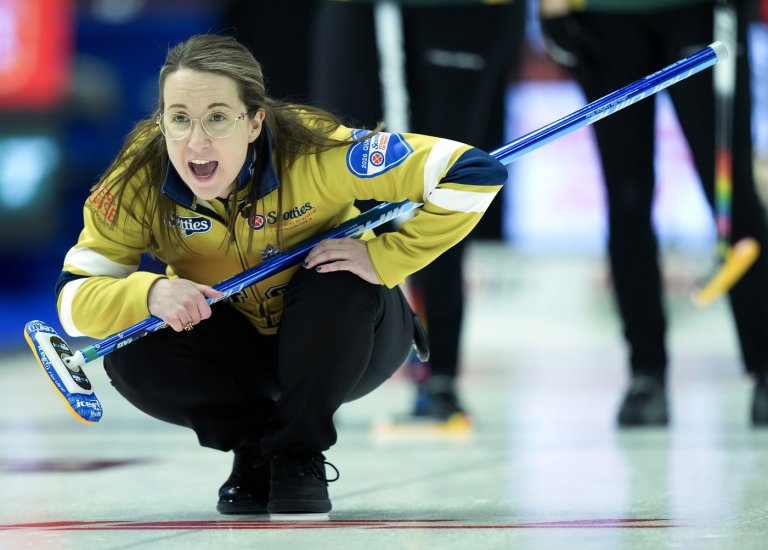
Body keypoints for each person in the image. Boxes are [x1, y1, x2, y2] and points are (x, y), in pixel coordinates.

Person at [54, 34, 507, 515]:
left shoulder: (318, 150)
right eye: (179, 119)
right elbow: (73, 300)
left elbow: (472, 172)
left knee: (337, 273)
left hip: (351, 339)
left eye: (217, 118)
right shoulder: (136, 179)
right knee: (132, 343)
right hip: (237, 348)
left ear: (254, 122)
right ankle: (255, 451)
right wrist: (150, 294)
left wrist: (386, 258)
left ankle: (297, 454)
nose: (196, 141)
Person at [539, 0, 768, 426]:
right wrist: (551, 8)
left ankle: (766, 365)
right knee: (626, 195)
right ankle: (645, 372)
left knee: (730, 186)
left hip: (701, 11)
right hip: (605, 16)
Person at [309, 0, 524, 422]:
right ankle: (320, 369)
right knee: (337, 164)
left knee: (448, 175)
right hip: (359, 12)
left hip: (460, 13)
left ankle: (438, 373)